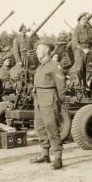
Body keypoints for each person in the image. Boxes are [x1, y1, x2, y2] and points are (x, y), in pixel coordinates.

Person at [29, 41, 66, 170]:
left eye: (39, 49)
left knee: (52, 128)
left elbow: (61, 87)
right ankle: (45, 155)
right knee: (40, 128)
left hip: (50, 98)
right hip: (39, 99)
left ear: (47, 51)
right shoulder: (40, 66)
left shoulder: (55, 66)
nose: (37, 51)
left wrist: (59, 102)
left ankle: (58, 157)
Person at [71, 12, 92, 88]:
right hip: (79, 50)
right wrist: (83, 49)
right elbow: (75, 43)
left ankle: (84, 84)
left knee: (88, 68)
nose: (84, 21)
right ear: (79, 20)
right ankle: (79, 84)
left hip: (88, 50)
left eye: (86, 19)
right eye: (82, 19)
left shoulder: (89, 29)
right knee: (79, 67)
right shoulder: (77, 30)